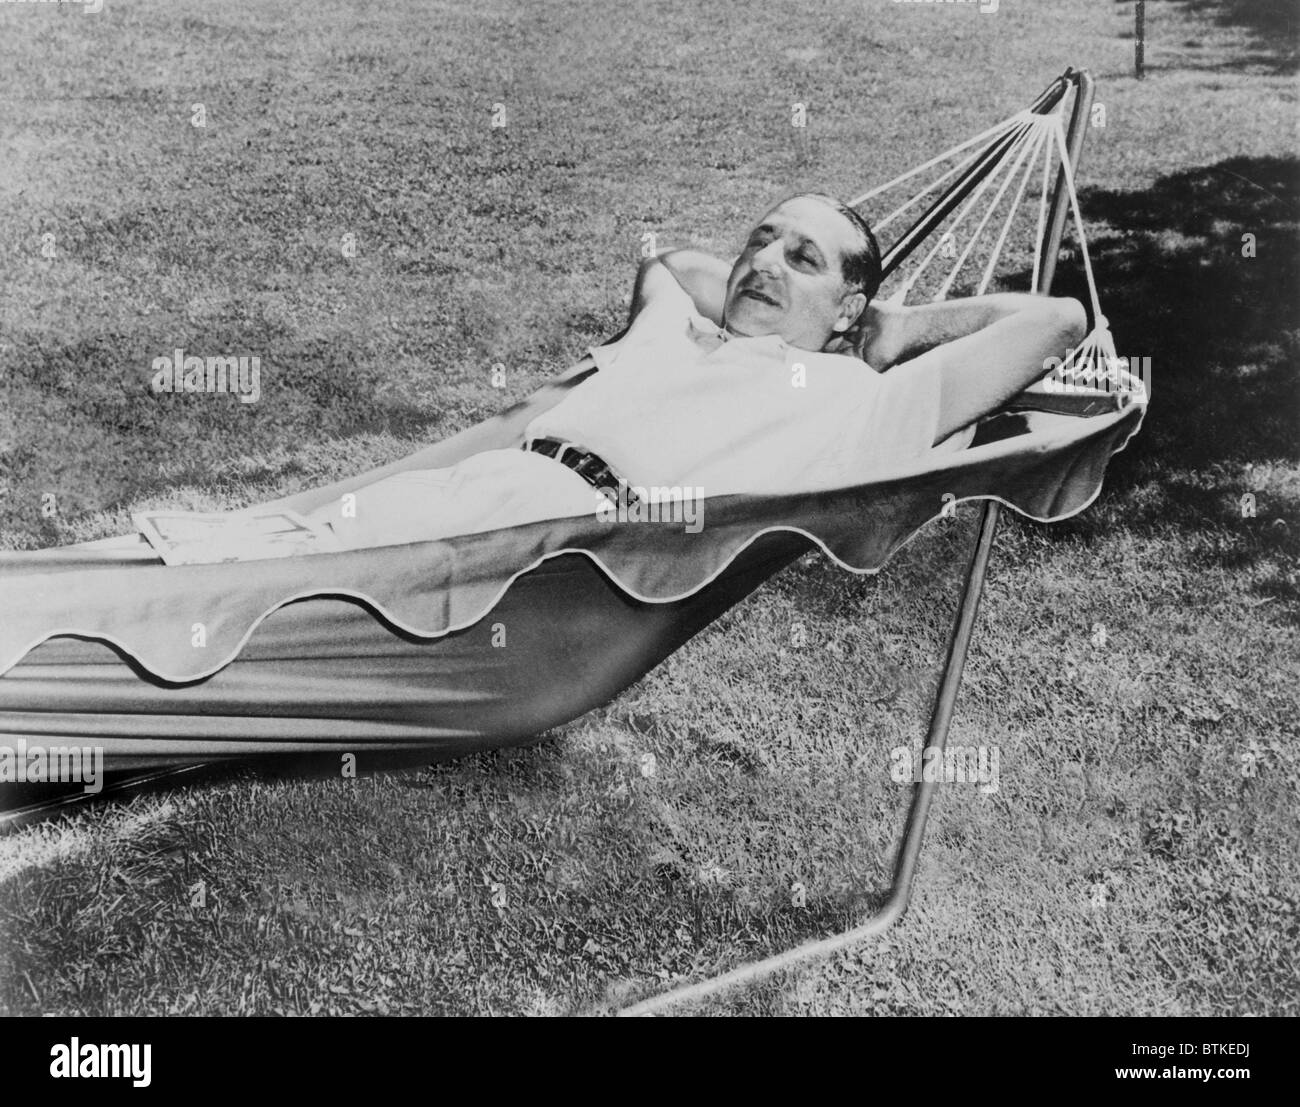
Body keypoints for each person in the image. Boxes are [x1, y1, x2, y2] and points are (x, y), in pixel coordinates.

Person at [318, 193, 1085, 548]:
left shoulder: (850, 398)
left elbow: (1055, 322)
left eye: (802, 257)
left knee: (263, 579)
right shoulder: (680, 325)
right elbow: (674, 262)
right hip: (479, 486)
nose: (764, 262)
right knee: (259, 547)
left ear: (848, 307)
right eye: (761, 240)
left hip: (559, 536)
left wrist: (896, 328)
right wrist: (779, 289)